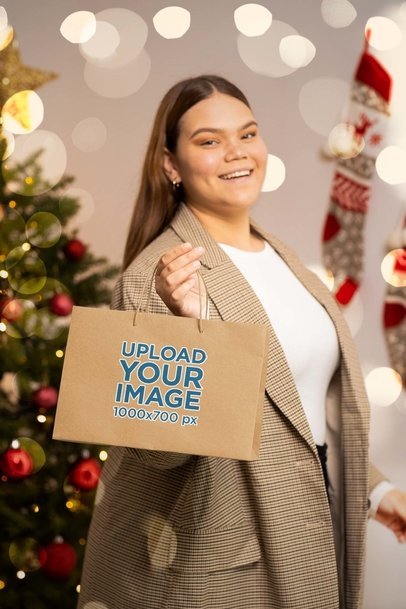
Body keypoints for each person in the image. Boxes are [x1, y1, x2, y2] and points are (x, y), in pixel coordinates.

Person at [77, 75, 406, 609]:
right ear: (170, 164)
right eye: (209, 141)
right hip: (218, 565)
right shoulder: (155, 277)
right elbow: (155, 455)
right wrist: (190, 334)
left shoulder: (282, 257)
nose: (237, 153)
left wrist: (373, 489)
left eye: (248, 135)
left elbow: (293, 412)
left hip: (307, 529)